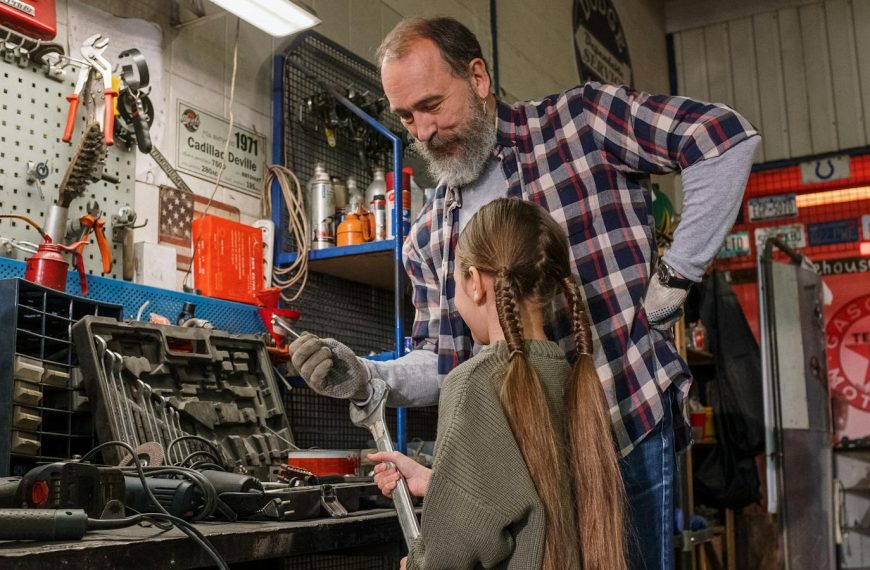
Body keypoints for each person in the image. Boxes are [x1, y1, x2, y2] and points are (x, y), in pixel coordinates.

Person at [289, 16, 761, 570]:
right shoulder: (429, 233)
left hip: (621, 424)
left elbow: (723, 140)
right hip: (529, 459)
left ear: (479, 78)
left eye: (433, 105)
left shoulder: (580, 123)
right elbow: (444, 362)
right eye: (405, 116)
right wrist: (372, 378)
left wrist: (674, 279)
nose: (421, 131)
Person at [370, 197, 626, 570]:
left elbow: (450, 555)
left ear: (475, 283)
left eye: (456, 282)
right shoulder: (574, 379)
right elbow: (530, 495)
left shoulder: (473, 384)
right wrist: (441, 483)